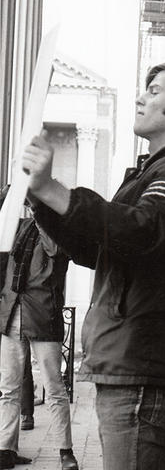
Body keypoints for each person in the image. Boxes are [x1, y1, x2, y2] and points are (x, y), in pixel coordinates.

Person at [21, 60, 165, 468]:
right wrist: (43, 200)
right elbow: (98, 249)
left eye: (154, 90)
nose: (140, 96)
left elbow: (142, 230)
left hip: (143, 365)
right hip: (129, 362)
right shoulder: (154, 172)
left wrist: (52, 189)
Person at [0, 196, 76, 469]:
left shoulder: (60, 229)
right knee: (8, 389)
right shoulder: (19, 228)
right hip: (12, 314)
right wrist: (8, 196)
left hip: (44, 316)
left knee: (55, 388)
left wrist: (41, 212)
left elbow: (55, 250)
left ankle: (65, 451)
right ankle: (5, 450)